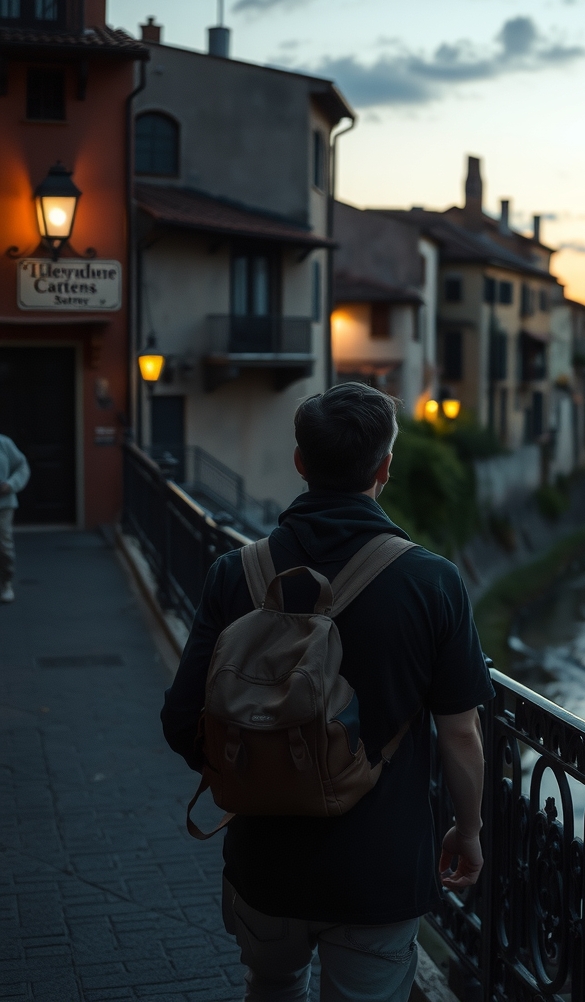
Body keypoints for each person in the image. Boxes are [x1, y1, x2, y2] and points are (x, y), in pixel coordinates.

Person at [161, 383, 492, 1002]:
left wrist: (254, 771)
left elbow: (182, 718)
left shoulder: (236, 572)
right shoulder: (432, 581)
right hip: (381, 864)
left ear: (300, 463)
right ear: (385, 467)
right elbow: (460, 733)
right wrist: (467, 829)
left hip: (265, 861)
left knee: (273, 985)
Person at [0, 433, 30, 604]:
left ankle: (6, 582)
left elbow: (22, 466)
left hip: (3, 504)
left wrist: (10, 485)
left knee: (4, 546)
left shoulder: (4, 443)